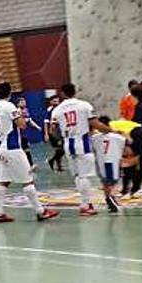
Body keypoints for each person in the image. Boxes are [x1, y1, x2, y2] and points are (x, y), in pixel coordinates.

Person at [0, 82, 59, 223]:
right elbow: (21, 124)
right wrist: (21, 116)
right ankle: (41, 211)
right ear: (10, 93)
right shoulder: (9, 106)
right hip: (12, 147)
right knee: (28, 181)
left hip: (0, 147)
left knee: (3, 181)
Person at [52, 83, 113, 215]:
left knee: (78, 175)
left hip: (68, 143)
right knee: (84, 176)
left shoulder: (57, 109)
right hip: (83, 142)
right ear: (75, 91)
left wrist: (64, 134)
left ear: (62, 93)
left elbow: (53, 129)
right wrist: (110, 131)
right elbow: (95, 124)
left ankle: (85, 203)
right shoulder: (84, 105)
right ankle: (85, 206)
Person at [92, 116, 127, 213]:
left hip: (101, 162)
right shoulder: (117, 137)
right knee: (111, 182)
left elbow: (93, 149)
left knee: (106, 182)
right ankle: (109, 199)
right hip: (113, 161)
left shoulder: (94, 138)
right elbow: (127, 144)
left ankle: (110, 199)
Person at [17, 97, 41, 167]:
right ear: (18, 104)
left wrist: (37, 127)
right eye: (22, 102)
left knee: (25, 149)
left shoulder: (25, 110)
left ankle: (28, 164)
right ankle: (29, 165)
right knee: (25, 149)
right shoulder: (17, 111)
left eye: (24, 102)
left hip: (24, 133)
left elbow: (29, 120)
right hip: (19, 134)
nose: (24, 103)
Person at [43, 94, 65, 172]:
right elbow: (46, 123)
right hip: (53, 132)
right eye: (54, 101)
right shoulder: (49, 110)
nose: (56, 103)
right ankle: (56, 163)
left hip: (61, 131)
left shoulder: (61, 109)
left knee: (61, 150)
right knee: (60, 149)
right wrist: (46, 134)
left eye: (58, 101)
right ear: (50, 102)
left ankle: (54, 162)